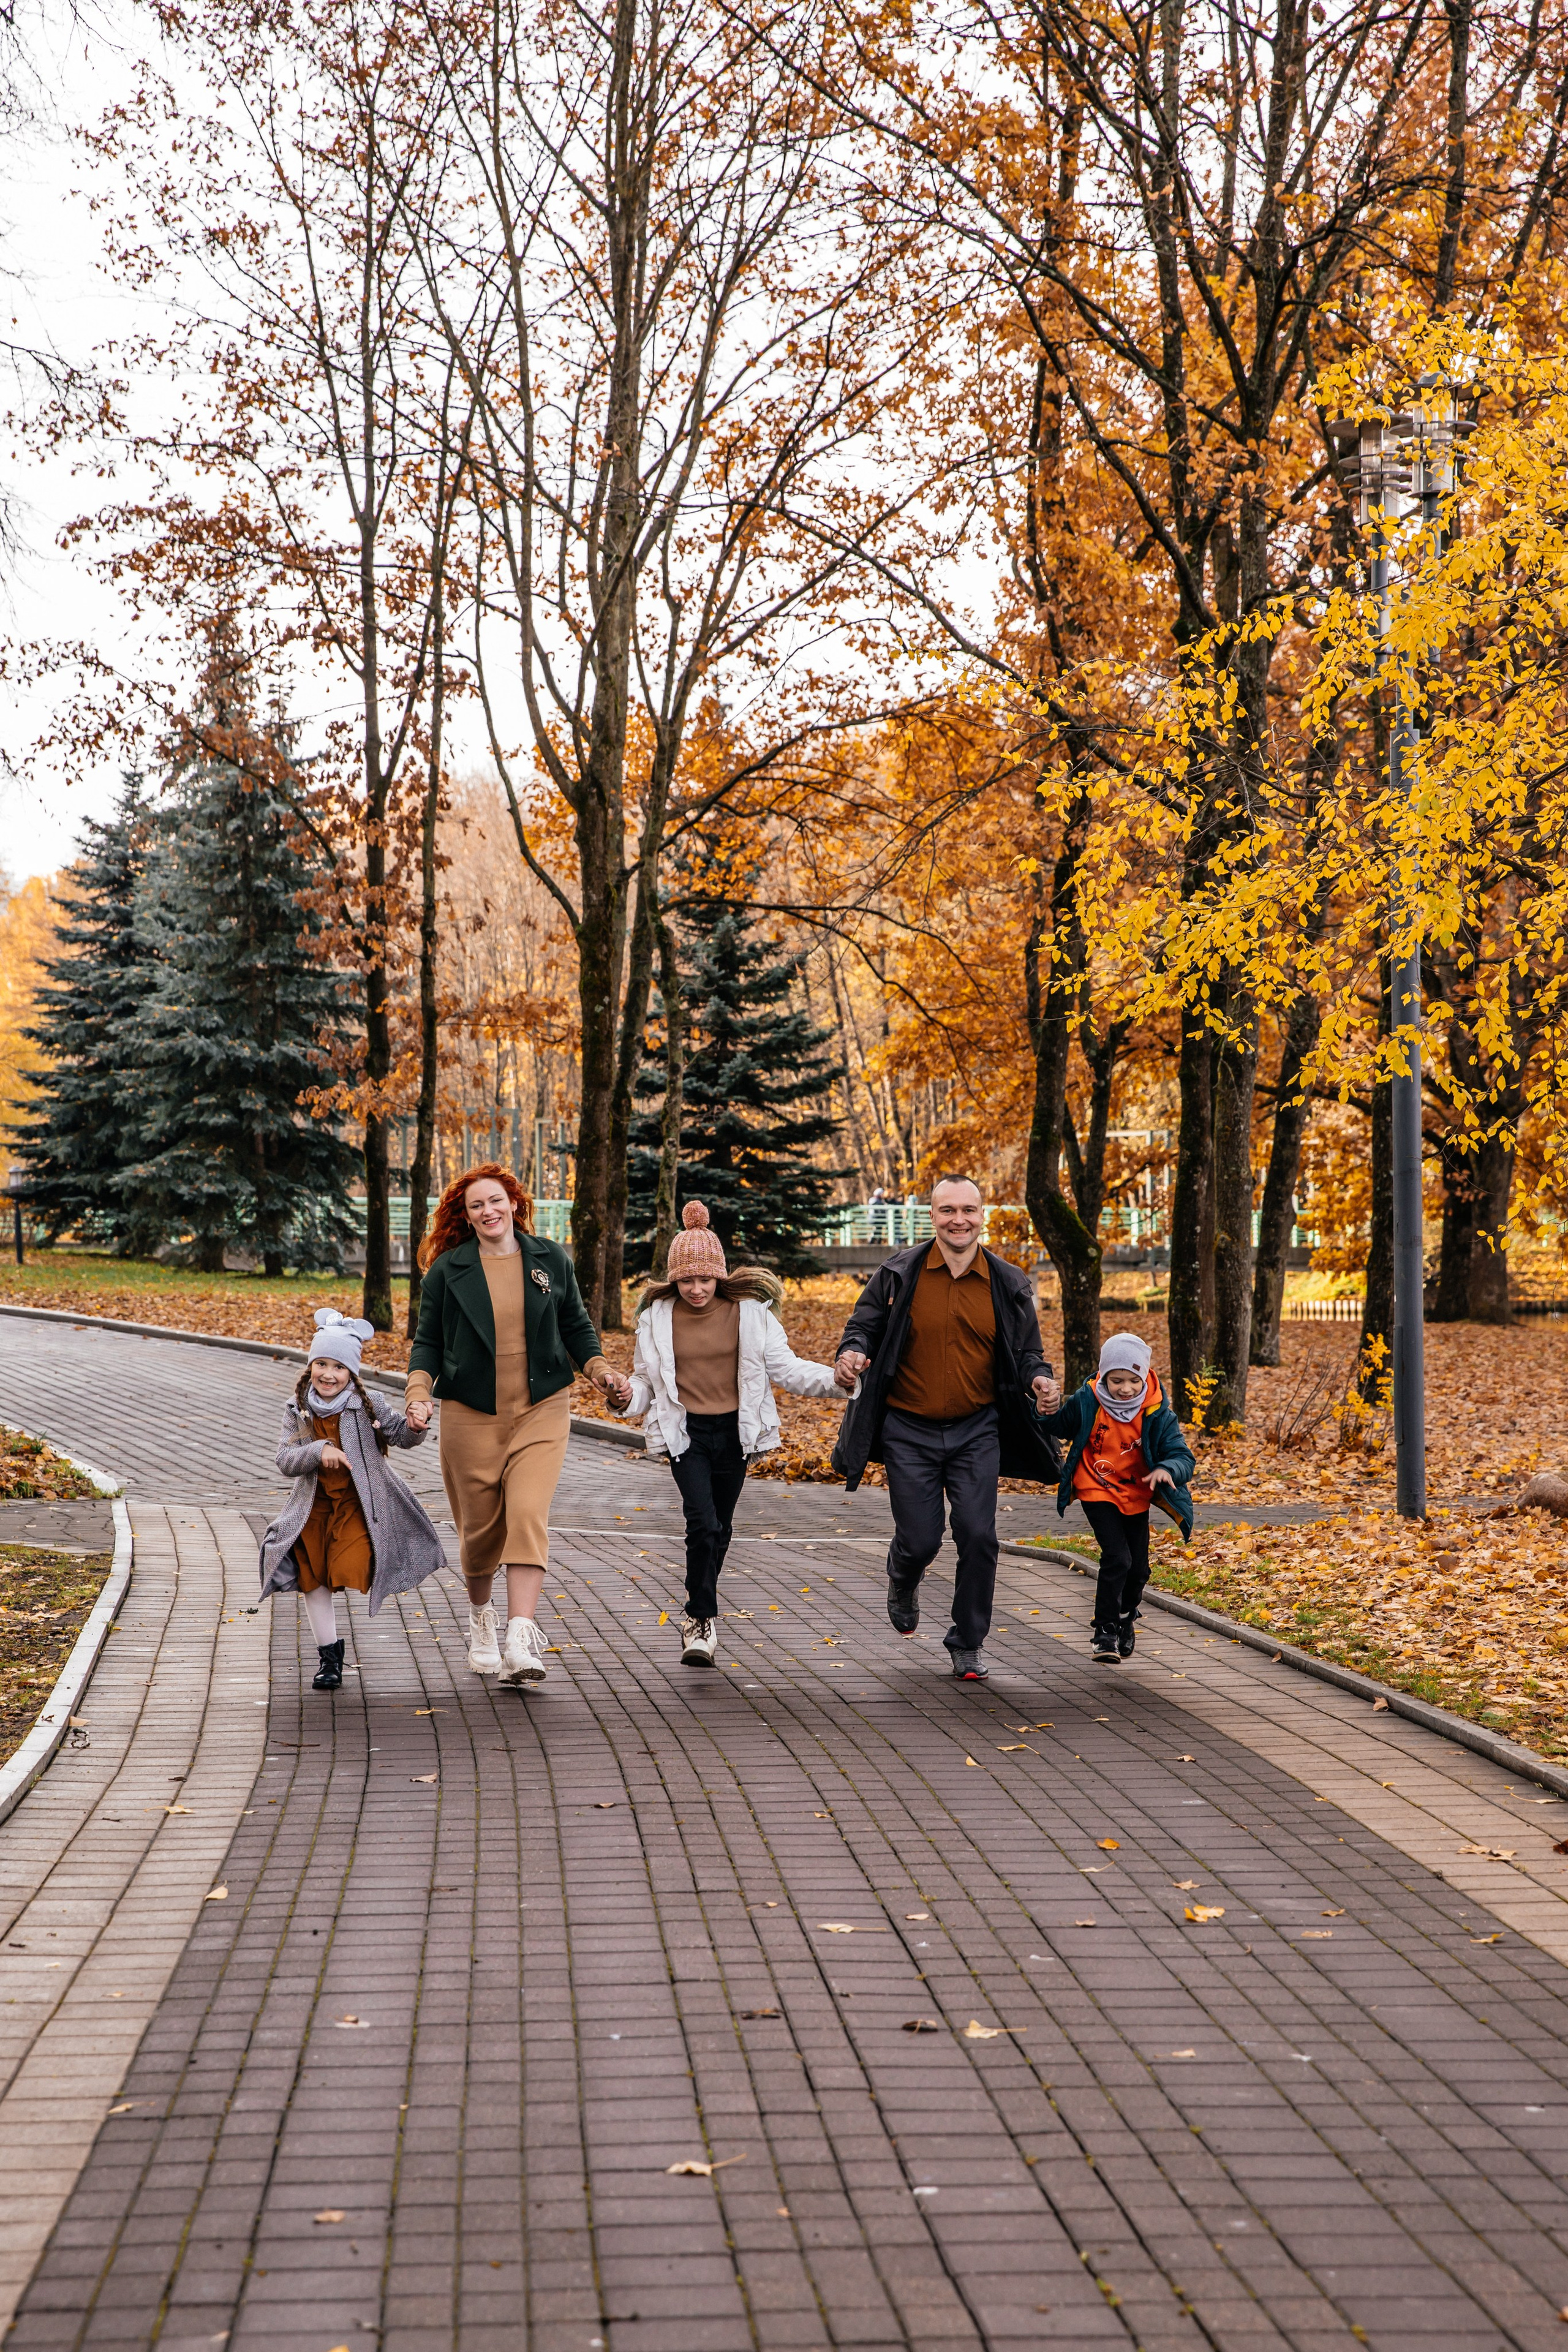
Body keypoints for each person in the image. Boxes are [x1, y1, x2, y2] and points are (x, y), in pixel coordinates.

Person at [404, 1163, 631, 1687]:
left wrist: (599, 1371)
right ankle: (481, 1620)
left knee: (528, 1513)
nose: (489, 1212)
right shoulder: (448, 1271)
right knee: (481, 1534)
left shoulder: (549, 1259)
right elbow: (428, 1344)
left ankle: (521, 1634)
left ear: (514, 1202)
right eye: (476, 1206)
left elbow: (576, 1325)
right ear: (465, 1216)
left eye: (496, 1201)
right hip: (472, 1413)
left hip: (542, 1406)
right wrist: (419, 1395)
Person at [832, 1174, 1057, 1681]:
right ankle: (903, 1575)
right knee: (921, 1539)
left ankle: (967, 1641)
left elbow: (1027, 1354)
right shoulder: (897, 1274)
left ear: (983, 1216)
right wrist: (852, 1354)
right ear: (931, 1216)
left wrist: (1040, 1380)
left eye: (969, 1210)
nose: (959, 1219)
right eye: (948, 1210)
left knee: (979, 1535)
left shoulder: (1008, 1282)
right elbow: (863, 1327)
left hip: (977, 1430)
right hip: (907, 1429)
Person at [616, 1202, 843, 1666]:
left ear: (719, 1276)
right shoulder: (655, 1318)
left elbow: (788, 1369)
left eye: (705, 1279)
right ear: (674, 1280)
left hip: (736, 1432)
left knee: (720, 1528)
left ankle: (701, 1608)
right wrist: (623, 1398)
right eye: (686, 1280)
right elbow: (644, 1383)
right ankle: (700, 1618)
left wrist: (842, 1381)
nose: (696, 1289)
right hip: (687, 1433)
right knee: (701, 1523)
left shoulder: (752, 1315)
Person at [258, 1308, 447, 1691]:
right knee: (315, 1582)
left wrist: (415, 1426)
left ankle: (338, 1637)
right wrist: (318, 1450)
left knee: (348, 1566)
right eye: (321, 1364)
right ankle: (329, 1659)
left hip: (359, 1508)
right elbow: (285, 1460)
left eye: (338, 1367)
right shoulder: (298, 1409)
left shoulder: (368, 1403)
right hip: (313, 1509)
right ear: (311, 1365)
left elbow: (400, 1436)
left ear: (351, 1373)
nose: (329, 1374)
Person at [1035, 1332, 1196, 1662]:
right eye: (1116, 1380)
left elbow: (1183, 1456)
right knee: (1117, 1558)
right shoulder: (1088, 1400)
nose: (1125, 1389)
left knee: (1139, 1571)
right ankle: (1104, 1630)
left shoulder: (1157, 1412)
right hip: (1096, 1487)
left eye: (1133, 1381)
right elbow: (1060, 1425)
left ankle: (1125, 1617)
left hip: (1136, 1493)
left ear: (1145, 1377)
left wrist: (1168, 1469)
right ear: (1103, 1375)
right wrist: (1045, 1409)